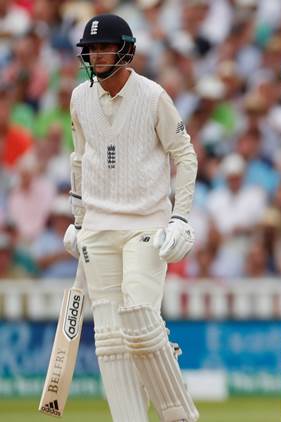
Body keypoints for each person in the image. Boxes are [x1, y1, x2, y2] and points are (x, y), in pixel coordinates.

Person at [62, 14, 198, 422]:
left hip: (145, 225)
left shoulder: (154, 96)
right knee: (109, 340)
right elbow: (79, 159)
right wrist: (79, 218)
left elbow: (185, 155)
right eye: (92, 48)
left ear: (126, 50)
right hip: (98, 228)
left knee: (139, 318)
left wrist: (180, 218)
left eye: (105, 47)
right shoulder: (78, 98)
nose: (97, 54)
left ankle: (180, 415)